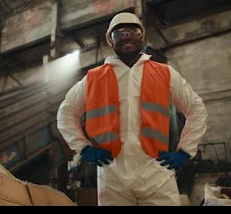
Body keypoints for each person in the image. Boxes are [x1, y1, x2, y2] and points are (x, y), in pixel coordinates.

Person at [57, 12, 208, 206]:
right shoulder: (93, 78)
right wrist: (83, 148)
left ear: (142, 37)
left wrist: (185, 151)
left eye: (133, 31)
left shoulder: (164, 73)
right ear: (110, 41)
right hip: (112, 176)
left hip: (155, 173)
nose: (126, 35)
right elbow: (66, 112)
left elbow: (196, 108)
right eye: (118, 33)